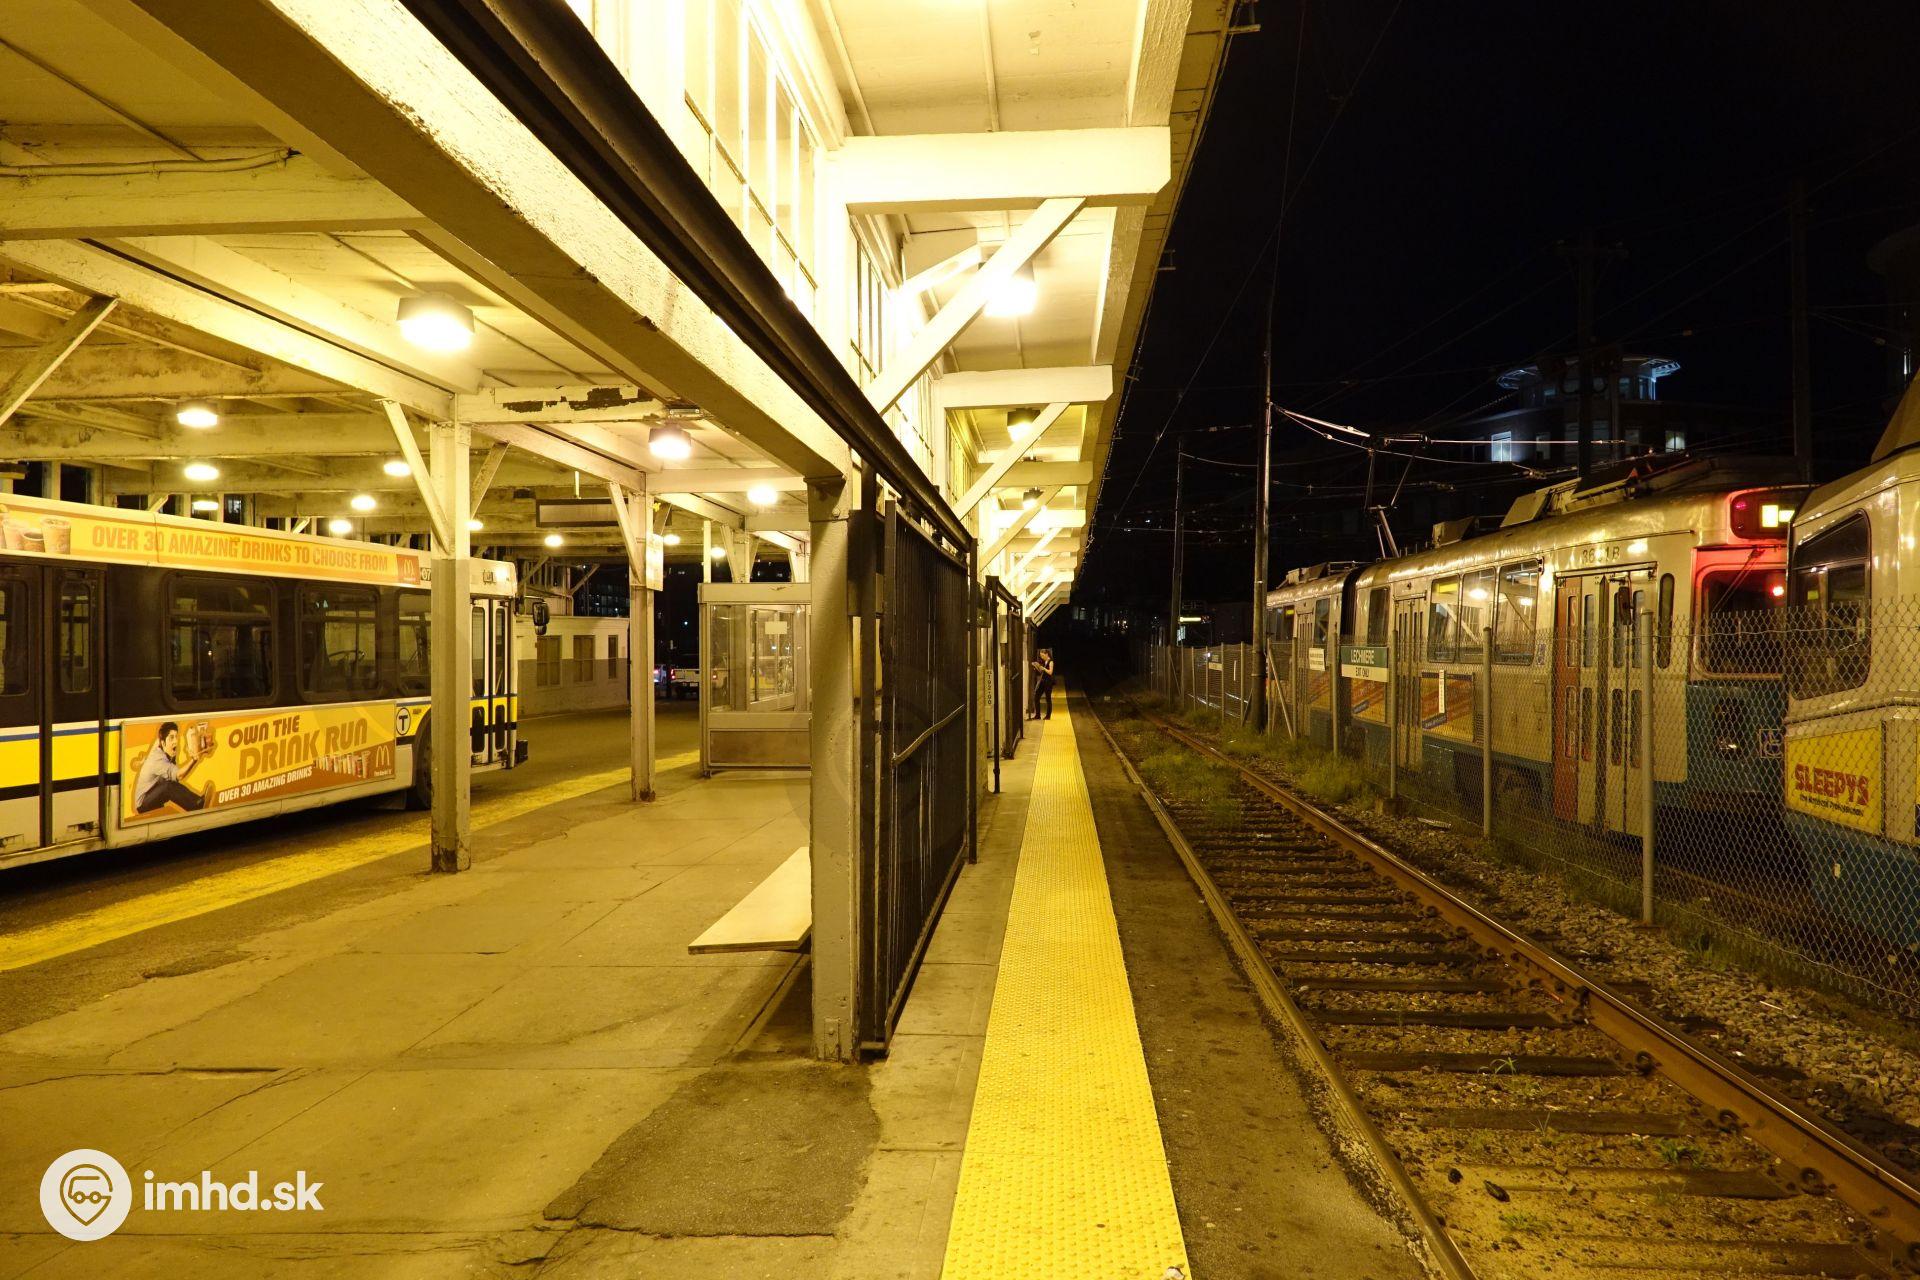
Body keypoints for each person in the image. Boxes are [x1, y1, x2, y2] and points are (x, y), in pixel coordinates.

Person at [133, 722, 212, 814]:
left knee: (171, 782)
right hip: (143, 803)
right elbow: (179, 775)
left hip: (152, 793)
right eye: (171, 737)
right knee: (168, 786)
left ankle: (197, 802)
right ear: (163, 743)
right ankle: (197, 805)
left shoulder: (162, 748)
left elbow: (158, 740)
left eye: (176, 737)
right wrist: (194, 760)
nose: (175, 741)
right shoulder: (157, 760)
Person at [1030, 648, 1055, 721]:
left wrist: (1043, 668)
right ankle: (1038, 715)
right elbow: (1042, 672)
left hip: (1048, 682)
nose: (1042, 657)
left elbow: (1050, 672)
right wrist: (1037, 667)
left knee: (1048, 698)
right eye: (1041, 656)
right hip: (1043, 682)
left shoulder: (1051, 662)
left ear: (1047, 654)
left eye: (1043, 655)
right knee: (1036, 697)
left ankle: (1048, 716)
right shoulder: (1044, 661)